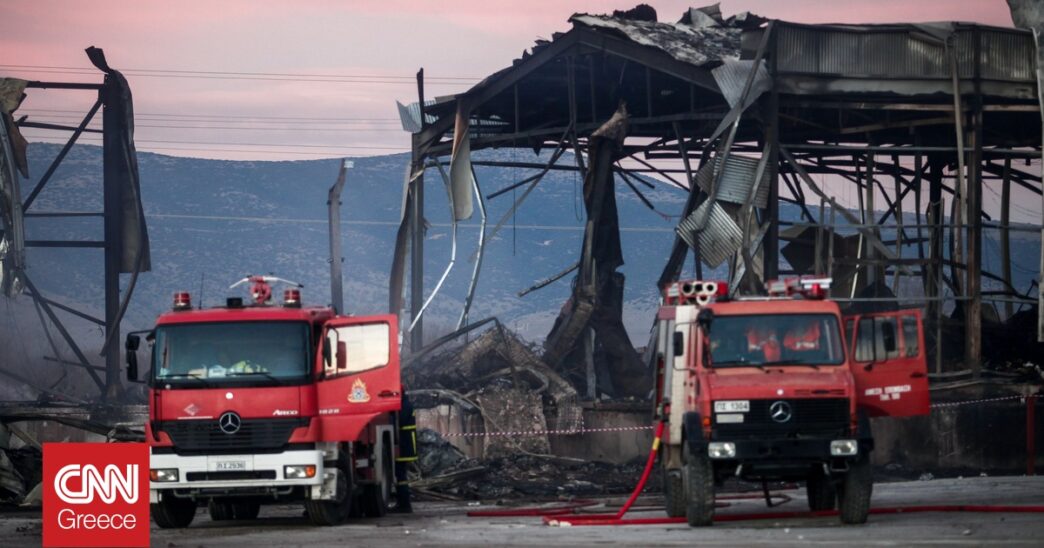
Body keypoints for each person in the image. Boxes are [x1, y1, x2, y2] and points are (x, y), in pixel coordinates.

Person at [392, 390, 417, 513]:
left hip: (404, 443)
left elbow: (400, 420)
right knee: (400, 474)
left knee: (401, 475)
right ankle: (402, 503)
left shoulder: (405, 405)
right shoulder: (406, 404)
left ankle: (404, 504)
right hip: (404, 442)